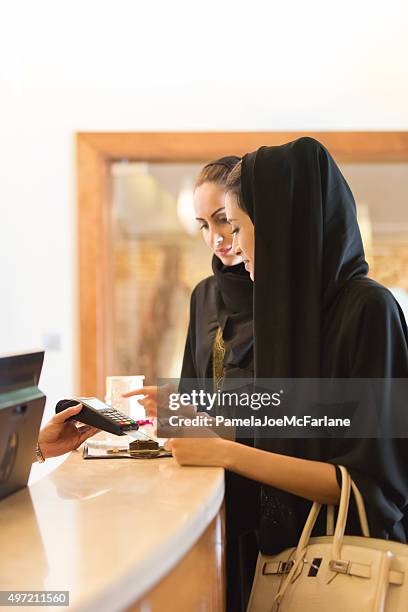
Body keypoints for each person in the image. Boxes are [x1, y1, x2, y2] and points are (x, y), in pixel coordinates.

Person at [161, 138, 408, 572]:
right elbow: (293, 431)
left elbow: (369, 486)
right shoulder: (284, 316)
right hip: (280, 563)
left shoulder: (369, 310)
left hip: (347, 571)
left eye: (236, 227)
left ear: (276, 225)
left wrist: (224, 451)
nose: (231, 246)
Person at [125, 157, 260, 611]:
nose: (216, 238)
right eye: (204, 225)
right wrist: (168, 408)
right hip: (210, 486)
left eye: (224, 221)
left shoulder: (285, 295)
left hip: (269, 481)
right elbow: (192, 388)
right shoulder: (204, 294)